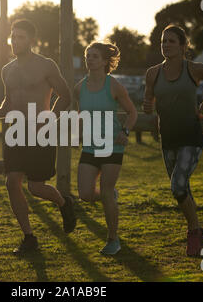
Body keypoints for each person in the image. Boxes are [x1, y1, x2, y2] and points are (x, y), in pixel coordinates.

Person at [0, 19, 76, 254]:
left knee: (36, 187)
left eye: (21, 37)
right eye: (13, 37)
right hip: (14, 131)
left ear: (31, 40)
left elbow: (65, 96)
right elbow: (9, 100)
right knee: (11, 181)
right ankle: (29, 237)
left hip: (40, 131)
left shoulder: (46, 65)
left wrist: (50, 119)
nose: (15, 41)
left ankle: (65, 203)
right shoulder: (7, 70)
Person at [143, 24, 203, 256]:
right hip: (167, 137)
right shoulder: (153, 73)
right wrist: (148, 110)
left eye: (171, 41)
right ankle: (198, 231)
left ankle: (193, 233)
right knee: (182, 189)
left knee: (177, 185)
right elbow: (149, 101)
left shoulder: (194, 69)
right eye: (163, 41)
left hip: (191, 135)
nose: (166, 45)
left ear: (183, 46)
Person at [74, 42, 138, 255]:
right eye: (87, 55)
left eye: (94, 56)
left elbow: (132, 113)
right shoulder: (79, 87)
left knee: (107, 190)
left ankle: (113, 239)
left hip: (112, 145)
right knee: (84, 194)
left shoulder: (114, 86)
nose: (89, 59)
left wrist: (125, 132)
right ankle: (109, 196)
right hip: (90, 147)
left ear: (104, 61)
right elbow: (80, 115)